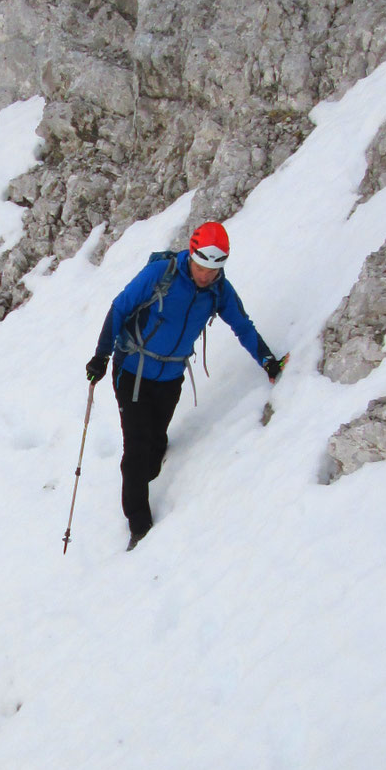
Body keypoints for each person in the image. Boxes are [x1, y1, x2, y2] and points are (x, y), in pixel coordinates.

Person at [85, 220, 283, 547]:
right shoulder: (161, 275)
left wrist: (266, 359)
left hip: (171, 377)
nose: (206, 275)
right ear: (191, 255)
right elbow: (120, 307)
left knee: (154, 441)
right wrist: (101, 356)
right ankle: (139, 525)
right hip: (131, 371)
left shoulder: (219, 291)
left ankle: (155, 461)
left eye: (213, 270)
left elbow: (242, 326)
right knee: (135, 448)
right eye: (202, 266)